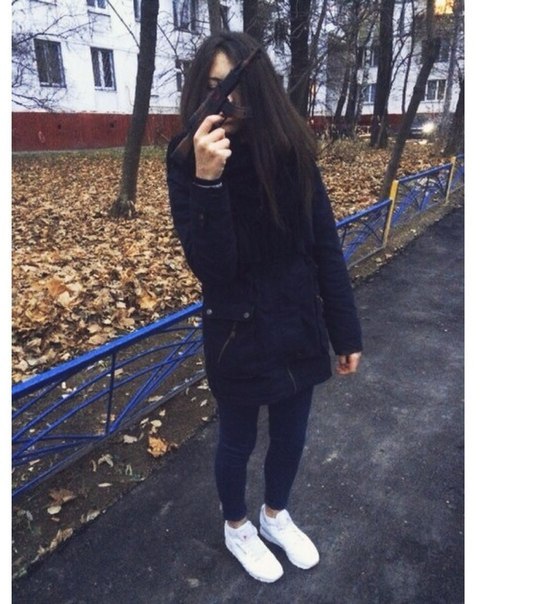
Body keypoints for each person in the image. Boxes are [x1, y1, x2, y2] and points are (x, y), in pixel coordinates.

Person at [166, 31, 362, 583]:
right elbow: (213, 268)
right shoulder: (186, 158)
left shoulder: (290, 149)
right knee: (238, 440)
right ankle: (237, 527)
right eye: (214, 87)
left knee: (292, 434)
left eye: (238, 87)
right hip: (238, 329)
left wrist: (345, 331)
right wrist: (208, 182)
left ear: (261, 89)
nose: (227, 101)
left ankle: (275, 516)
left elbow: (324, 244)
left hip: (298, 321)